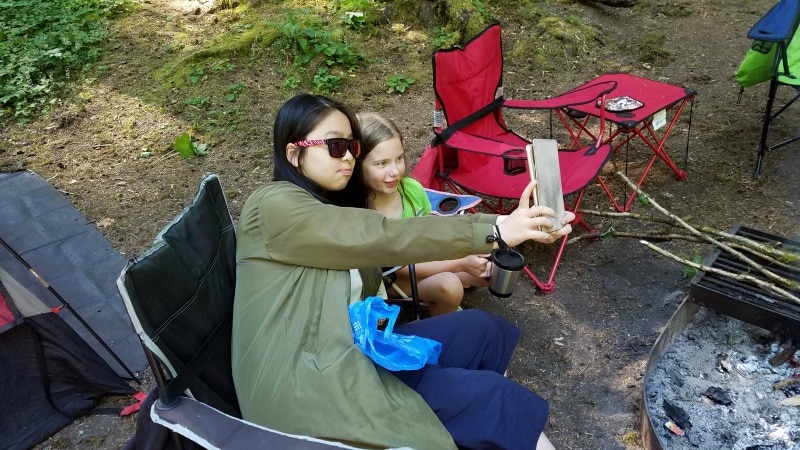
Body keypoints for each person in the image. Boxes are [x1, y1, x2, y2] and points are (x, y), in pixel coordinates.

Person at [231, 93, 570, 449]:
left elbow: (381, 254)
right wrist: (497, 229)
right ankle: (480, 418)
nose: (347, 157)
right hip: (312, 389)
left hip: (359, 349)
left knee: (481, 329)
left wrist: (512, 228)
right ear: (293, 154)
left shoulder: (330, 207)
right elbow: (382, 236)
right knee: (493, 400)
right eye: (334, 146)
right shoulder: (270, 206)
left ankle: (481, 427)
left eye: (352, 146)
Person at [354, 111, 489, 316]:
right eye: (382, 163)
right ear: (357, 165)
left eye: (399, 158)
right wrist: (459, 263)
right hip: (389, 280)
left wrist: (467, 253)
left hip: (420, 260)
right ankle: (440, 327)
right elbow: (400, 268)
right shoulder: (361, 211)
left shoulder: (412, 190)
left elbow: (429, 234)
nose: (395, 171)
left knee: (489, 270)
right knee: (449, 286)